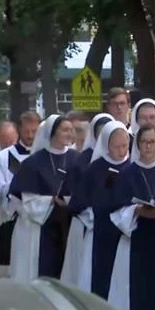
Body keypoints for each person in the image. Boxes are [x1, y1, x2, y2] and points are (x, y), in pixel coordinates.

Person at [108, 126, 155, 310]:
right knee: (135, 294)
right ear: (137, 144)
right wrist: (137, 210)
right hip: (134, 240)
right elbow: (116, 208)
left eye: (152, 142)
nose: (148, 147)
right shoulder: (127, 172)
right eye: (144, 142)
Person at [8, 114, 80, 283]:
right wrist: (50, 200)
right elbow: (26, 201)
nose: (69, 133)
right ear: (52, 132)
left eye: (71, 130)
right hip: (42, 227)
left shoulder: (76, 158)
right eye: (65, 129)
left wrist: (70, 201)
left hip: (68, 224)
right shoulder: (33, 163)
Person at [62, 113, 114, 287]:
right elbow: (75, 197)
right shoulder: (82, 161)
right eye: (99, 133)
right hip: (87, 223)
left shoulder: (122, 160)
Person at [0, 111, 40, 278]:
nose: (30, 136)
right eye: (26, 132)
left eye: (34, 131)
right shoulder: (5, 156)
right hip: (13, 218)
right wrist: (13, 189)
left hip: (40, 220)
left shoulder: (44, 156)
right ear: (19, 131)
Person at [83, 121, 132, 299]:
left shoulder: (134, 166)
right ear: (106, 145)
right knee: (103, 279)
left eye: (125, 146)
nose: (121, 151)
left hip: (128, 234)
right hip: (104, 233)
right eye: (116, 146)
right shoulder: (95, 169)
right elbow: (84, 200)